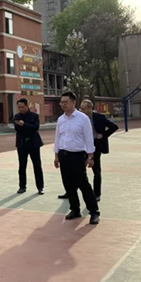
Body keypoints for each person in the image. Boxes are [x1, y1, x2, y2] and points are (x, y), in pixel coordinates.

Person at [53, 91, 100, 225]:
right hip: (64, 155)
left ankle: (94, 212)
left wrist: (90, 157)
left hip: (78, 155)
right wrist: (56, 155)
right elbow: (58, 138)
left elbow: (89, 139)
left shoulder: (82, 119)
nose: (63, 105)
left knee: (83, 184)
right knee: (68, 184)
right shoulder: (61, 119)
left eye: (66, 102)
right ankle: (75, 209)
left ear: (73, 102)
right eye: (61, 102)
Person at [73, 99, 118, 201]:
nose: (82, 111)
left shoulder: (99, 117)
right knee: (78, 170)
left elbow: (114, 127)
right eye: (81, 109)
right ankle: (72, 191)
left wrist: (103, 135)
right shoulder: (78, 118)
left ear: (90, 108)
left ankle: (97, 193)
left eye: (84, 109)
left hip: (95, 146)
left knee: (96, 171)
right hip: (82, 147)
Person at [13, 99, 44, 195]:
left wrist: (24, 125)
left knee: (37, 165)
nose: (20, 109)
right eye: (19, 107)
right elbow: (18, 129)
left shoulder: (34, 116)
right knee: (22, 166)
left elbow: (35, 128)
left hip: (33, 144)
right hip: (22, 144)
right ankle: (22, 186)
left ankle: (40, 187)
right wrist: (26, 127)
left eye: (22, 107)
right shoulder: (17, 117)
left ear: (27, 106)